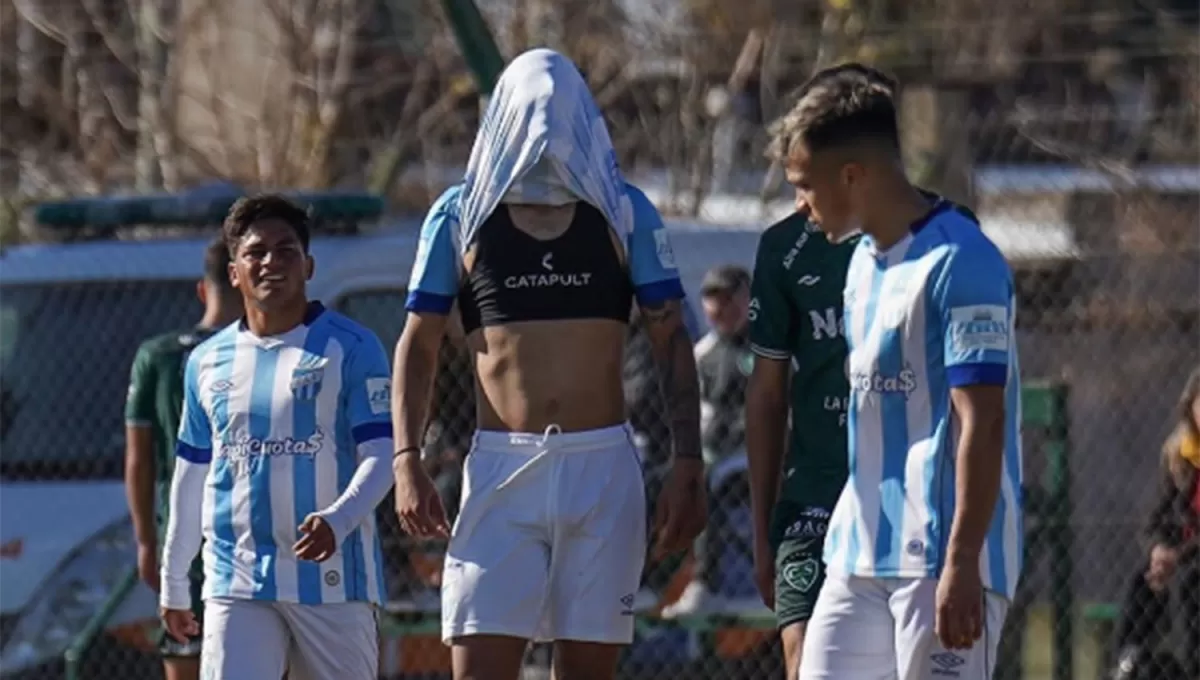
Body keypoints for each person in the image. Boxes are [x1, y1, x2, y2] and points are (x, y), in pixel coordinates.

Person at [391, 47, 706, 680]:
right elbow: (417, 344)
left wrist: (688, 464)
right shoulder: (460, 217)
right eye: (529, 114)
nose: (545, 130)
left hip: (602, 470)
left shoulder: (625, 212)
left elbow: (671, 340)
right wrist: (407, 460)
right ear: (501, 119)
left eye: (560, 114)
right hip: (501, 470)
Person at [770, 64, 1024, 680]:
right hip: (856, 554)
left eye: (805, 185)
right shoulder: (858, 263)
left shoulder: (963, 261)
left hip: (941, 560)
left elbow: (982, 424)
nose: (799, 205)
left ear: (852, 175)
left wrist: (963, 562)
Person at [158, 195, 396, 680]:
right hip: (235, 577)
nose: (271, 262)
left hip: (332, 582)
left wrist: (338, 519)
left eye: (286, 250)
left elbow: (382, 455)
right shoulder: (205, 362)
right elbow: (192, 473)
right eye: (256, 252)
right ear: (233, 273)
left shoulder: (352, 347)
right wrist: (173, 579)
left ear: (308, 265)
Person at [124, 237, 244, 680]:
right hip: (254, 533)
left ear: (201, 289)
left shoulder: (159, 356)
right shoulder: (266, 353)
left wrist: (145, 541)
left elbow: (139, 459)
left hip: (186, 533)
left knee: (185, 659)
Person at [663, 264, 761, 618]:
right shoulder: (704, 353)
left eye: (729, 299)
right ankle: (656, 586)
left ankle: (708, 584)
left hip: (760, 456)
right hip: (714, 454)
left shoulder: (768, 346)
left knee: (707, 483)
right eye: (712, 300)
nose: (721, 309)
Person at [1112, 367, 1200, 680]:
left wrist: (1181, 554)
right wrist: (1158, 550)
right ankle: (1126, 662)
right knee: (1144, 579)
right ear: (1190, 406)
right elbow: (1152, 520)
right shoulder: (1179, 453)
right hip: (1180, 559)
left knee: (1191, 582)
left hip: (1191, 563)